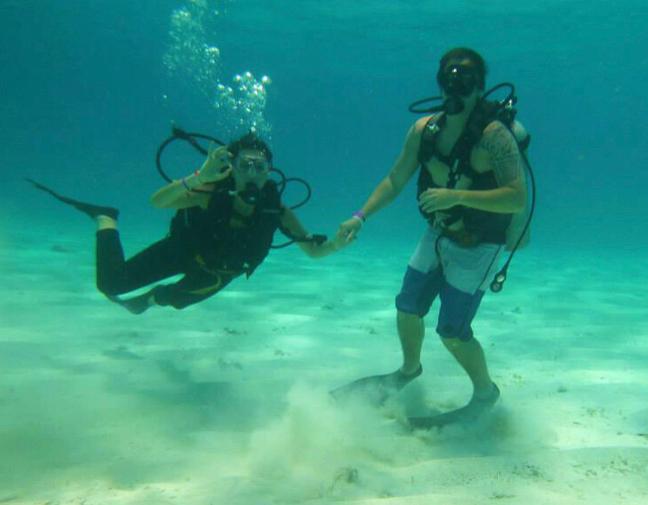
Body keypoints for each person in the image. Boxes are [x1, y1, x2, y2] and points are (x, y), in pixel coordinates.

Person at [336, 48, 528, 427]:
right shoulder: (425, 130)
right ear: (440, 82)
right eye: (449, 77)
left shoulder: (495, 137)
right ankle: (408, 371)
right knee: (407, 306)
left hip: (480, 243)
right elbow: (395, 179)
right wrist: (360, 216)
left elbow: (516, 197)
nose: (457, 84)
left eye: (467, 78)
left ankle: (486, 394)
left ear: (480, 85)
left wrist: (456, 195)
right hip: (438, 232)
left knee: (452, 333)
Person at [29, 132, 347, 314]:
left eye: (260, 167)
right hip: (180, 250)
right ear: (232, 167)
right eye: (245, 166)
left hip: (219, 273)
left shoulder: (275, 210)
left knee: (175, 300)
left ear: (269, 170)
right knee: (112, 284)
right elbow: (158, 201)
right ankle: (105, 218)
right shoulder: (211, 192)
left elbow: (314, 252)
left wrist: (335, 244)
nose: (253, 174)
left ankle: (154, 297)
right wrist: (200, 176)